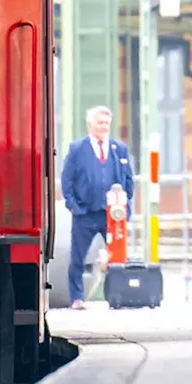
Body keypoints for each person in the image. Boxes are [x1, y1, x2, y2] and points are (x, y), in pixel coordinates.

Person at [59, 106, 134, 310]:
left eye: (107, 123)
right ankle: (77, 298)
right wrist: (72, 205)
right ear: (90, 124)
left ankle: (118, 296)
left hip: (112, 213)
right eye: (100, 123)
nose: (104, 127)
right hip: (84, 213)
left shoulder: (120, 149)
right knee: (77, 257)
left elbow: (128, 180)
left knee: (118, 255)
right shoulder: (77, 149)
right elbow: (67, 179)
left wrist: (126, 206)